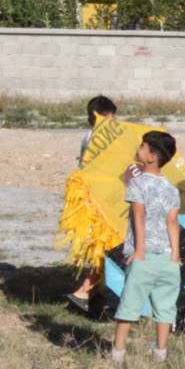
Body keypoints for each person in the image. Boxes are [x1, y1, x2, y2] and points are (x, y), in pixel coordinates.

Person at [110, 131, 182, 364]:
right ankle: (160, 353)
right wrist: (176, 254)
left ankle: (117, 355)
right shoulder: (171, 188)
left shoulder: (138, 183)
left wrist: (139, 250)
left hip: (145, 256)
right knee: (165, 308)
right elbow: (173, 222)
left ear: (152, 156)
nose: (138, 150)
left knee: (128, 307)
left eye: (142, 147)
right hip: (168, 258)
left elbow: (138, 217)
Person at [68, 95, 118, 313]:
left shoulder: (87, 136)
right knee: (110, 247)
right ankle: (85, 292)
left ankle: (93, 291)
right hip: (104, 202)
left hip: (93, 199)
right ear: (107, 115)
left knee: (104, 249)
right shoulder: (102, 137)